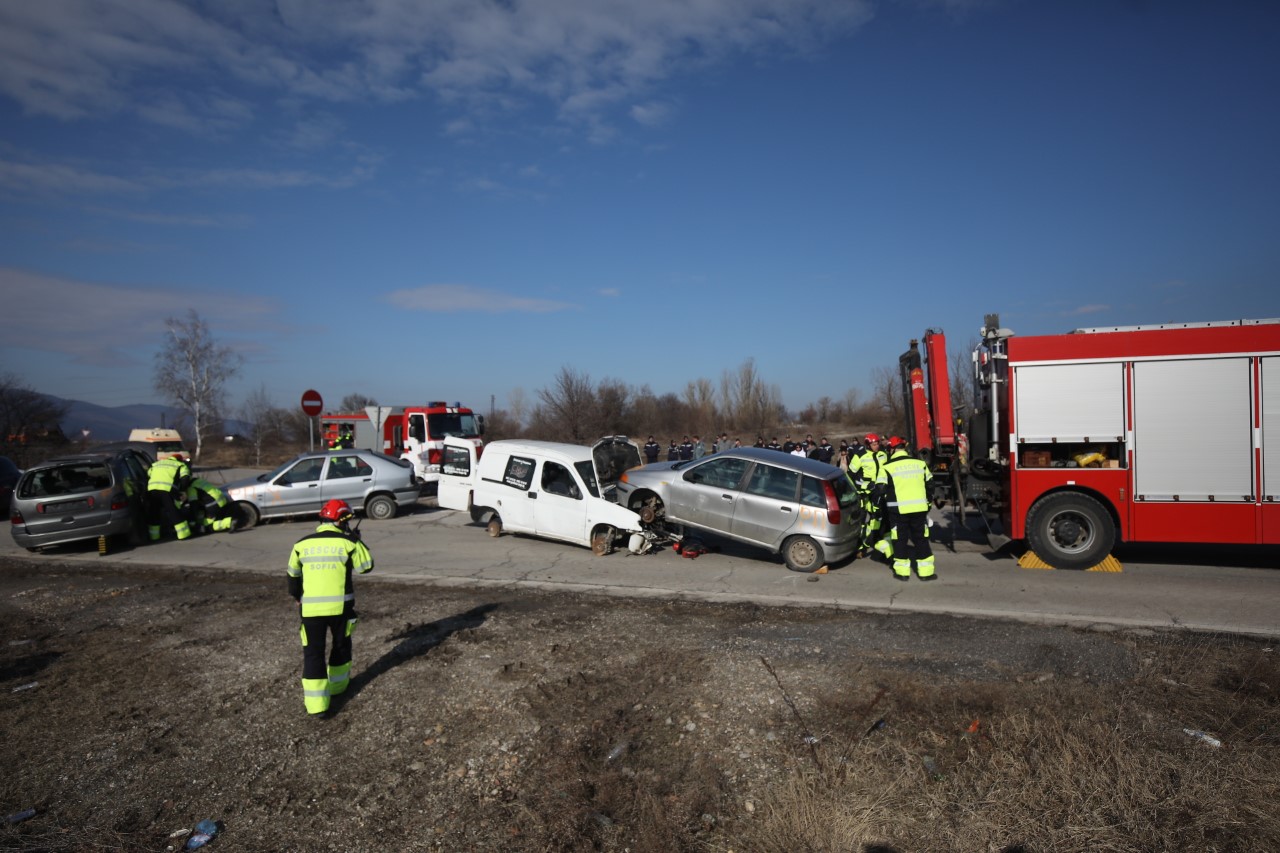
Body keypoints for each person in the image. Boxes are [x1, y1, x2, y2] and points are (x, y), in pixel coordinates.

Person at [288, 499, 374, 719]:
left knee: (313, 654)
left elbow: (292, 575)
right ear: (341, 520)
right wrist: (357, 540)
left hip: (310, 612)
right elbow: (366, 567)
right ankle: (338, 688)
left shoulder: (301, 544)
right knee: (340, 646)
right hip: (340, 609)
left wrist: (297, 596)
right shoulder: (348, 542)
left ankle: (317, 707)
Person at [877, 436, 935, 581]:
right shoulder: (920, 464)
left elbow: (880, 489)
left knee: (900, 540)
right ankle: (926, 573)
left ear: (892, 449)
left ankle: (902, 573)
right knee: (921, 539)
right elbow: (930, 485)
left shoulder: (886, 467)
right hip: (919, 509)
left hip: (898, 511)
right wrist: (927, 502)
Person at [854, 434, 889, 559]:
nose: (877, 446)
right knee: (864, 521)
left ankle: (870, 542)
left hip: (880, 492)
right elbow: (852, 476)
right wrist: (865, 486)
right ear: (868, 445)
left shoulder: (883, 454)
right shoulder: (860, 456)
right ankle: (861, 545)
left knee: (878, 519)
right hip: (866, 494)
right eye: (874, 444)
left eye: (878, 444)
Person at [146, 453, 192, 541]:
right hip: (167, 489)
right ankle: (183, 534)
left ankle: (154, 536)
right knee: (173, 510)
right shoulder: (180, 465)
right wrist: (182, 490)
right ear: (180, 460)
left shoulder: (156, 464)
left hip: (152, 489)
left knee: (154, 512)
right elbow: (185, 478)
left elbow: (148, 474)